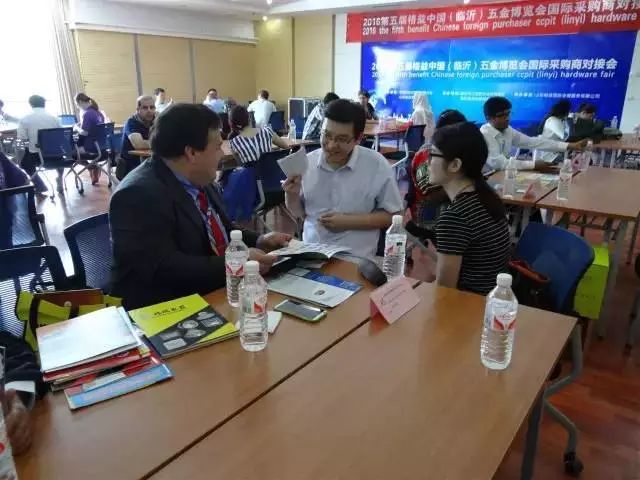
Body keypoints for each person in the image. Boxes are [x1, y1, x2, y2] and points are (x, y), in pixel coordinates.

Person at [109, 103, 291, 309]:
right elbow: (164, 268)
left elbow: (224, 229)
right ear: (192, 153)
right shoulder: (138, 195)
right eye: (217, 147)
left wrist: (260, 240)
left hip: (212, 293)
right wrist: (237, 261)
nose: (222, 154)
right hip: (163, 309)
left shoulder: (200, 178)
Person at [283, 99, 403, 258]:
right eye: (327, 135)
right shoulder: (307, 163)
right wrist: (291, 195)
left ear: (358, 138)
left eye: (341, 139)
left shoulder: (376, 165)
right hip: (312, 255)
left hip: (357, 259)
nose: (331, 145)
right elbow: (301, 213)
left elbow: (393, 216)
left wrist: (348, 221)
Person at [429, 122, 511, 295]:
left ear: (455, 165)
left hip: (470, 305)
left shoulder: (455, 217)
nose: (426, 162)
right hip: (492, 299)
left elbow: (444, 292)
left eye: (432, 154)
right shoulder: (486, 197)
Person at [405, 109, 467, 246]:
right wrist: (464, 184)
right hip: (429, 213)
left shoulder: (450, 151)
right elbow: (431, 196)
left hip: (448, 208)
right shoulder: (428, 154)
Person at [480, 96, 586, 171]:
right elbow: (499, 164)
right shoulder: (485, 134)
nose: (507, 118)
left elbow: (533, 142)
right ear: (488, 118)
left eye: (508, 114)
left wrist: (570, 145)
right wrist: (533, 165)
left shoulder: (508, 130)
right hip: (487, 177)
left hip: (503, 174)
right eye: (501, 115)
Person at [17, 95, 61, 193]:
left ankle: (40, 185)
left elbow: (22, 138)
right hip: (56, 155)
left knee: (24, 163)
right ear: (44, 104)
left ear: (31, 104)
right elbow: (61, 135)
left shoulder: (25, 119)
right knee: (59, 155)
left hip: (38, 156)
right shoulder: (54, 118)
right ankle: (60, 178)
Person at [119, 95, 156, 179]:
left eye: (152, 107)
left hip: (149, 163)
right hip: (132, 168)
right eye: (145, 108)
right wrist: (161, 142)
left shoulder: (156, 120)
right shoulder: (131, 122)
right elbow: (139, 144)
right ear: (138, 109)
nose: (149, 110)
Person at [533, 100, 572, 164]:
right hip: (550, 155)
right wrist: (569, 121)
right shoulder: (553, 120)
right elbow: (565, 137)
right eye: (569, 111)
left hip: (554, 151)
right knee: (572, 161)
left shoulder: (557, 120)